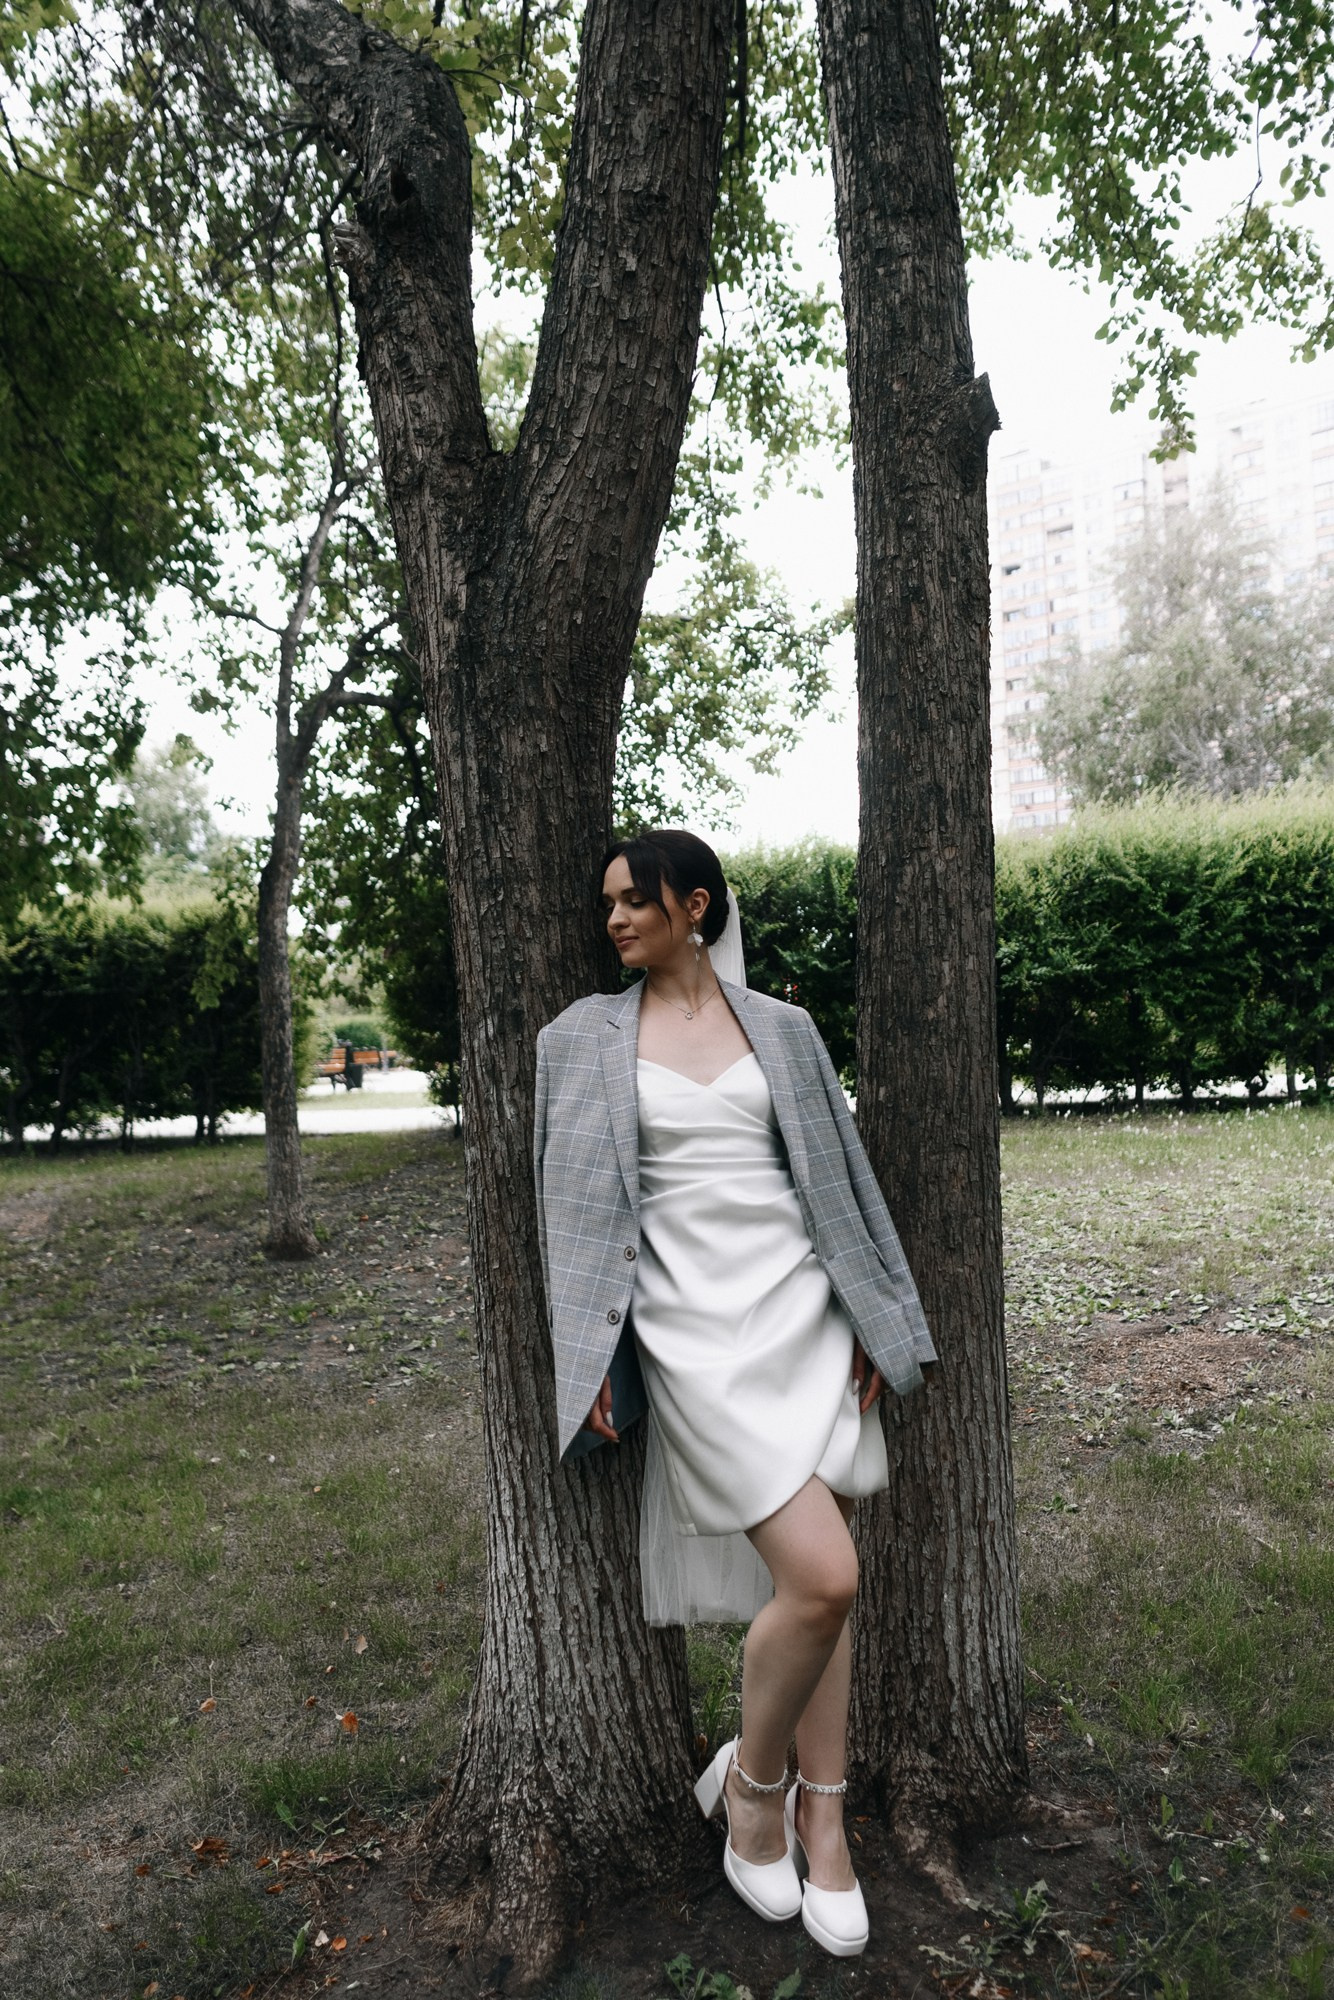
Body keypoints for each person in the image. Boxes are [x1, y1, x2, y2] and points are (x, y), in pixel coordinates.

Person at [533, 830, 936, 1958]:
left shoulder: (785, 1030)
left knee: (822, 1584)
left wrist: (874, 1315)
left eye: (635, 900)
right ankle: (754, 1788)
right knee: (826, 1576)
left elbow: (842, 1180)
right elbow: (564, 1216)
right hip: (690, 1328)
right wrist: (586, 1364)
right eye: (607, 904)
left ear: (696, 906)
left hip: (803, 1306)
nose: (615, 919)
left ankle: (824, 1820)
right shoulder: (578, 1038)